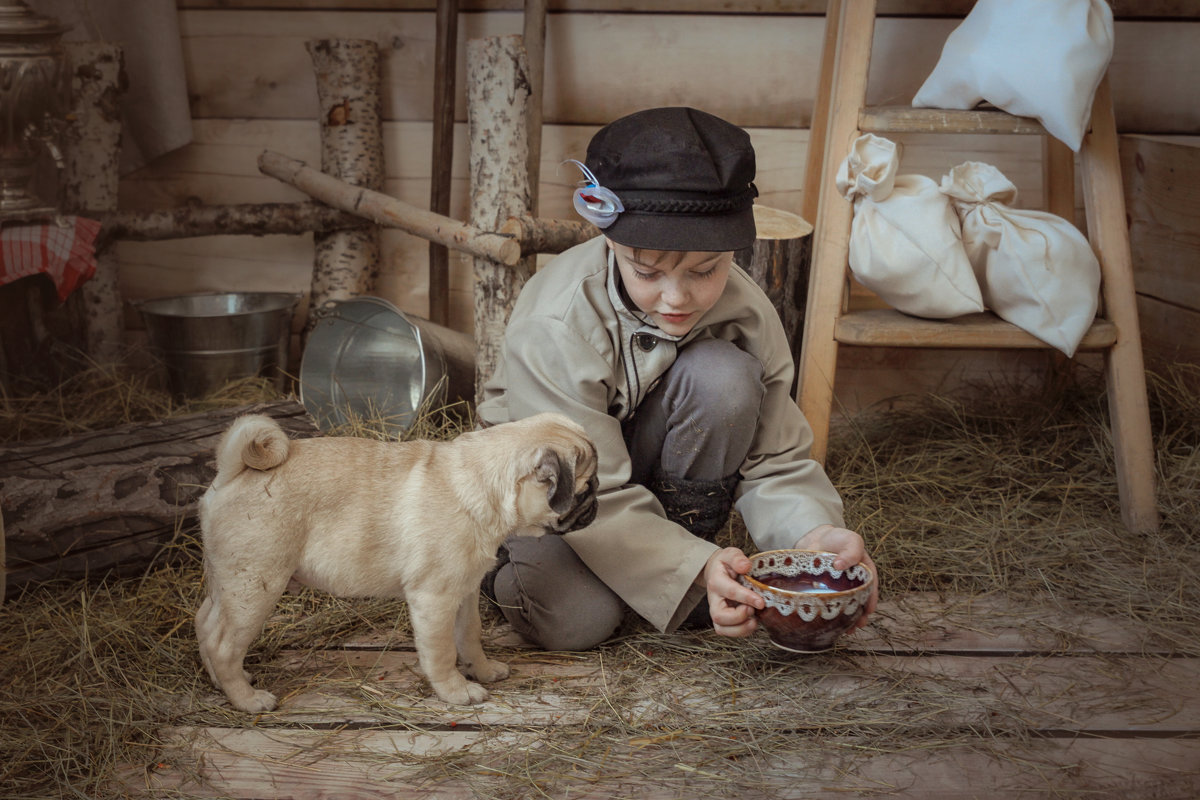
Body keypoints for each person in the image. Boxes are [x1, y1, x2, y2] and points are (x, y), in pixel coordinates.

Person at [477, 106, 877, 651]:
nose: (676, 297)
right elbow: (589, 489)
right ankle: (495, 564)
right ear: (610, 241)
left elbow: (777, 458)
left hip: (640, 482)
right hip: (553, 494)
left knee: (725, 376)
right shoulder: (556, 322)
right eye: (647, 272)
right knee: (577, 621)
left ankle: (683, 563)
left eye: (705, 271)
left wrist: (814, 539)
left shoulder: (746, 312)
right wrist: (693, 569)